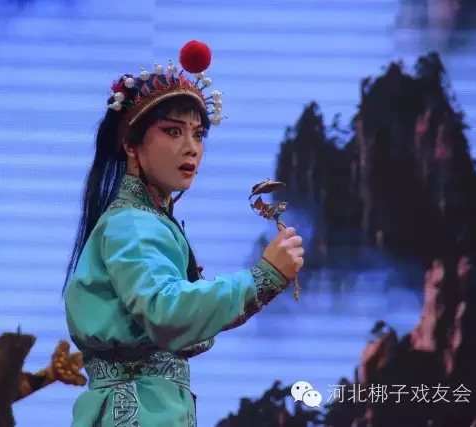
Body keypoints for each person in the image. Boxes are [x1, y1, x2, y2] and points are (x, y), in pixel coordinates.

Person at [63, 40, 305, 427]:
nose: (191, 148)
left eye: (198, 134)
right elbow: (165, 310)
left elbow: (185, 327)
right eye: (173, 132)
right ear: (130, 143)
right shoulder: (133, 223)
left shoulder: (147, 220)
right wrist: (262, 277)